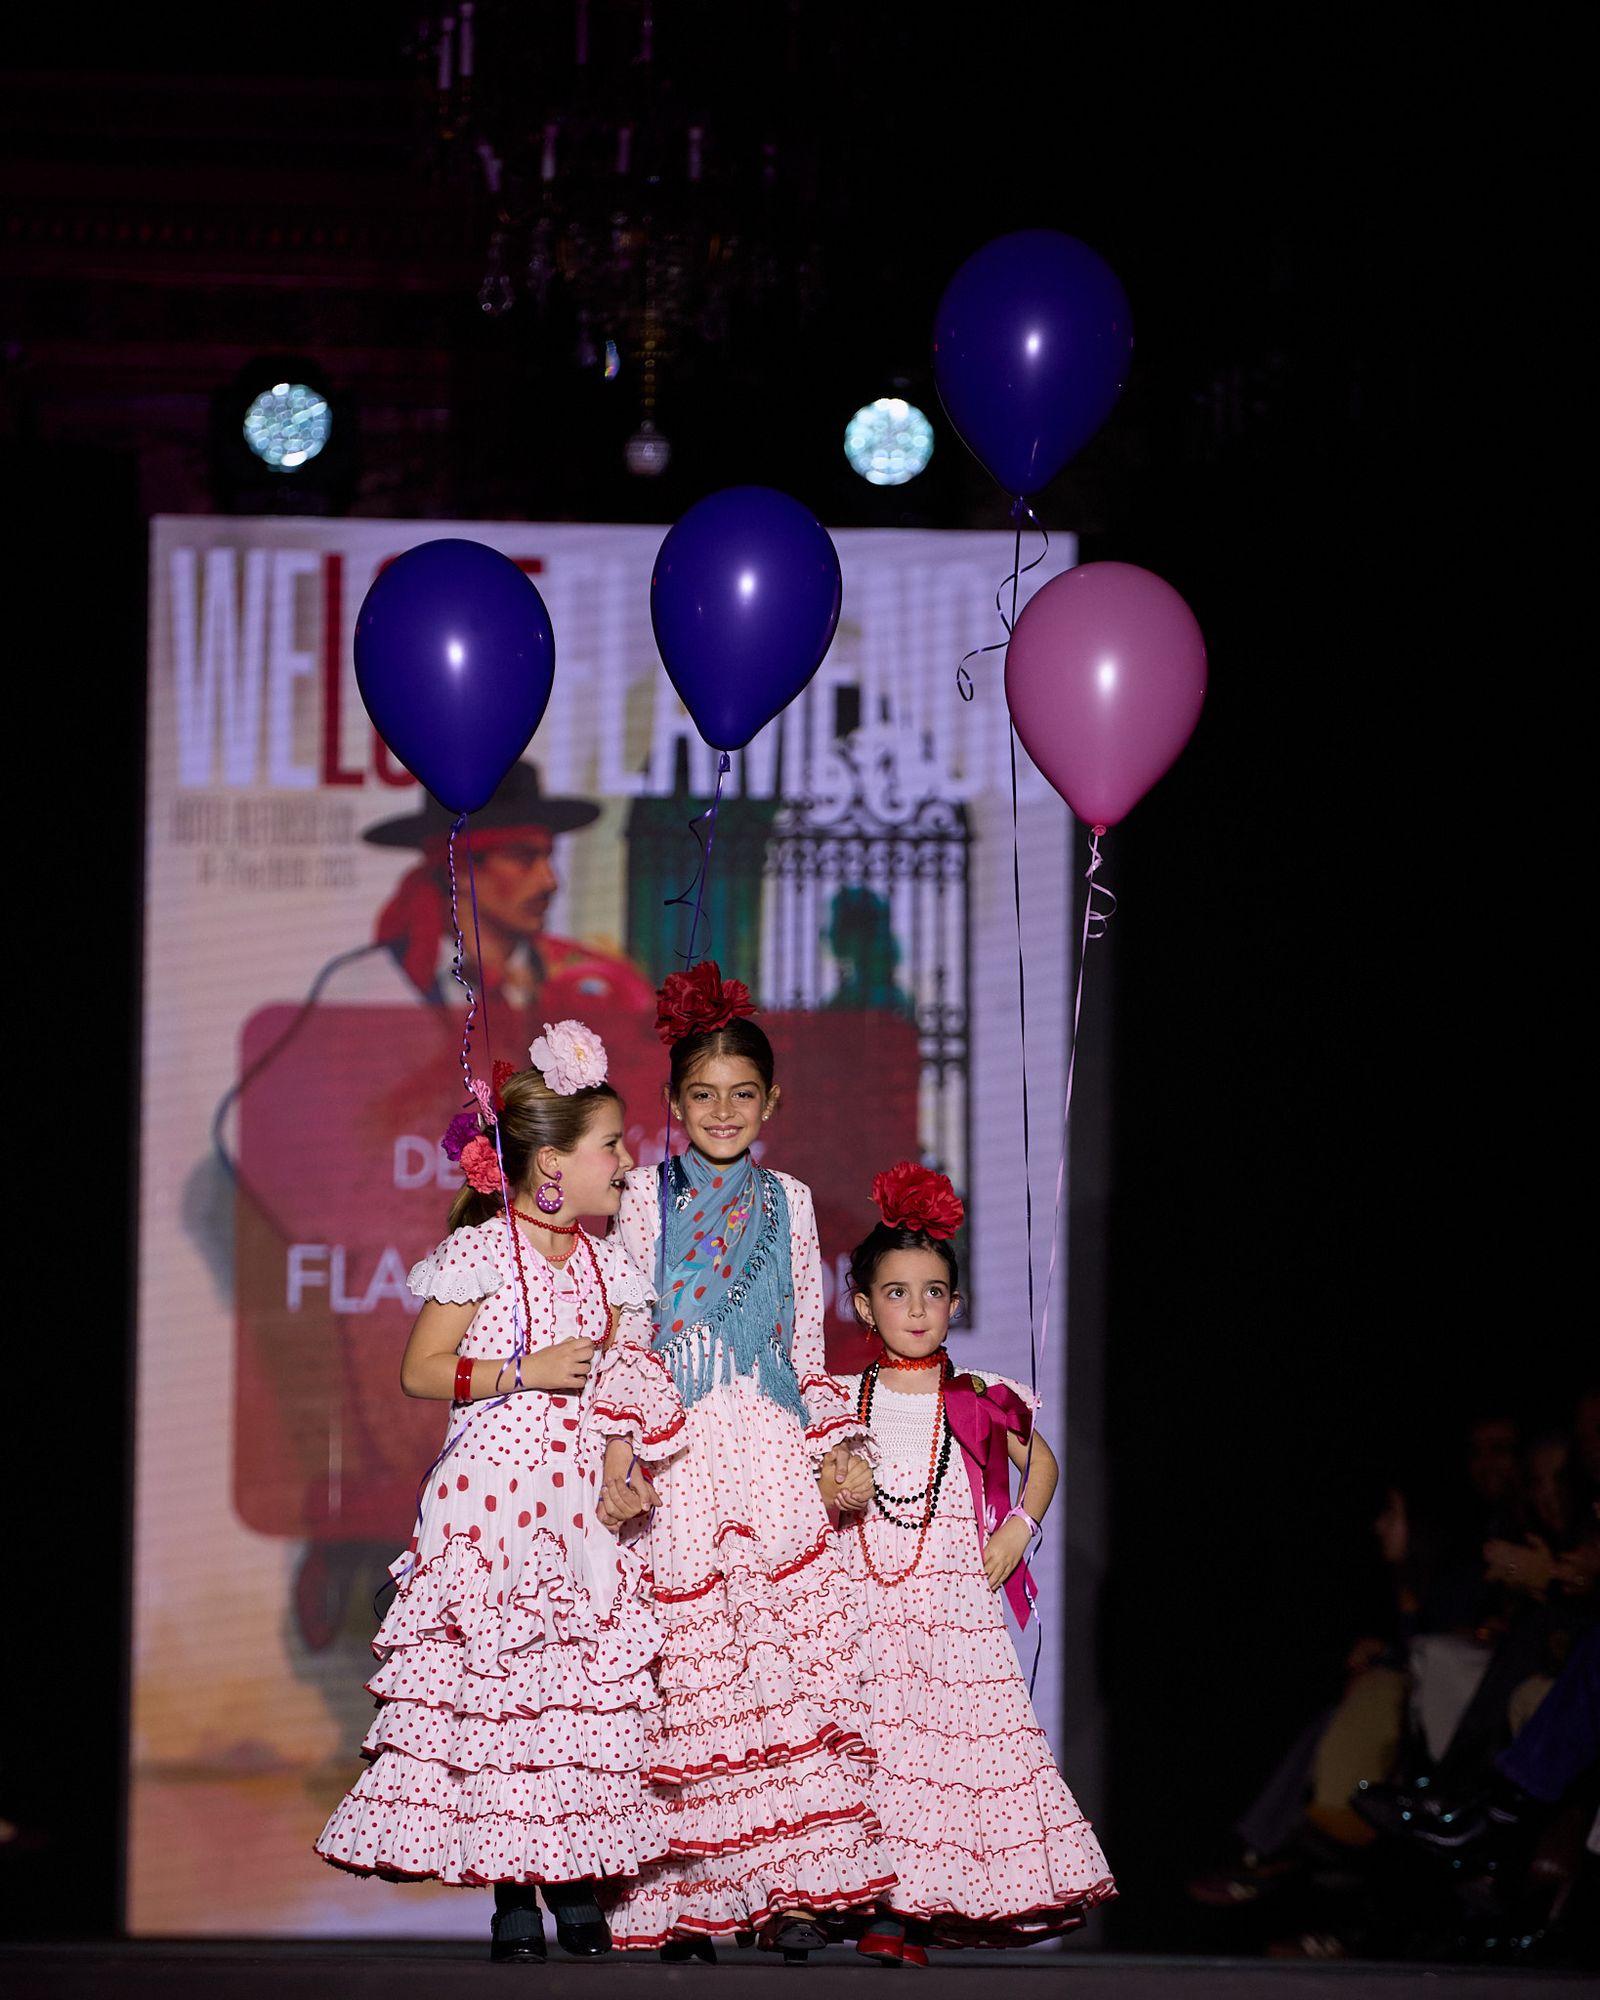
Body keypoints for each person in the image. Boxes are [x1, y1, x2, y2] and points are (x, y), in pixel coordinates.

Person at [314, 1021, 683, 1963]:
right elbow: (420, 1370)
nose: (624, 1162)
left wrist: (617, 1471)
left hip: (575, 1501)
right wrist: (521, 1370)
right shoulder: (482, 1251)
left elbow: (617, 1390)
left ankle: (577, 1880)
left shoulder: (610, 1268)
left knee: (570, 1691)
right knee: (500, 1689)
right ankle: (513, 1893)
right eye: (610, 1146)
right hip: (491, 1497)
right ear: (551, 1162)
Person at [599, 960, 894, 1960]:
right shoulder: (643, 1197)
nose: (721, 1109)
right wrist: (626, 1449)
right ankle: (687, 1897)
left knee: (785, 1675)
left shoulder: (792, 1199)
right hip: (680, 1459)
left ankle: (793, 1890)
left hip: (766, 1449)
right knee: (693, 1680)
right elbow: (631, 1337)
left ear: (771, 1101)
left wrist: (833, 1444)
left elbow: (806, 1346)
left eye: (741, 1094)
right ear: (674, 1104)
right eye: (701, 1094)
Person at [832, 1163, 1115, 1961]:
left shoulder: (982, 1395)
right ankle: (858, 1897)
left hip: (952, 1611)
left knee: (940, 1759)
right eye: (896, 1292)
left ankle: (910, 1910)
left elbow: (1044, 1463)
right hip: (865, 1605)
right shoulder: (840, 1397)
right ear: (863, 1304)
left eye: (932, 1292)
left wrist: (1019, 1528)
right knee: (872, 1754)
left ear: (955, 1304)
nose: (916, 1308)